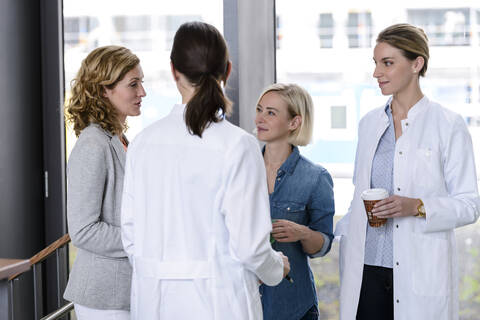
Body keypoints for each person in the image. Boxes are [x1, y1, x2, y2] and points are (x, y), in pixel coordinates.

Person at [120, 21, 290, 320]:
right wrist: (277, 268)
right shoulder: (238, 145)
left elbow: (131, 237)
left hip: (152, 301)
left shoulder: (143, 144)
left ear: (174, 70)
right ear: (227, 70)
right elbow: (250, 247)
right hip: (219, 302)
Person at [335, 23, 480, 320]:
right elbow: (357, 197)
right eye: (376, 63)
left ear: (417, 64)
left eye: (387, 63)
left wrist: (416, 206)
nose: (377, 72)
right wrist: (336, 237)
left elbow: (469, 204)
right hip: (367, 272)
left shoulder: (447, 125)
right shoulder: (369, 124)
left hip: (420, 272)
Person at [63, 45, 146, 319]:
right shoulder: (93, 145)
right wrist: (144, 238)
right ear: (103, 90)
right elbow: (84, 230)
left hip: (124, 291)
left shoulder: (118, 141)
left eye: (141, 83)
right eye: (133, 84)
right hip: (103, 294)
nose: (142, 93)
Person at [255, 83, 335, 320]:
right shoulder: (242, 170)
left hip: (293, 307)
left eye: (271, 112)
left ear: (294, 122)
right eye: (259, 110)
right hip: (245, 302)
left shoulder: (315, 178)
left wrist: (303, 233)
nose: (260, 118)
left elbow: (322, 246)